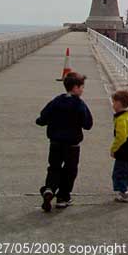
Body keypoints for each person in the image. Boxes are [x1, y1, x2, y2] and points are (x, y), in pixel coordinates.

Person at [36, 72, 93, 212]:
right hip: (72, 145)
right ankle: (63, 197)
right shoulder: (79, 104)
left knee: (54, 167)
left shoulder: (56, 101)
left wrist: (41, 121)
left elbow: (43, 117)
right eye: (81, 87)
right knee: (70, 170)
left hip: (55, 143)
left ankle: (49, 188)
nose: (82, 90)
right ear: (75, 88)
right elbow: (88, 124)